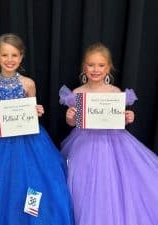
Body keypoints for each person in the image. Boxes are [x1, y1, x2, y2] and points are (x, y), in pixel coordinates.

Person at [0, 33, 74, 225]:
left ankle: (30, 217)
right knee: (3, 185)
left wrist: (36, 111)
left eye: (14, 55)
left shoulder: (28, 84)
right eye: (4, 55)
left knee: (31, 181)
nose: (9, 60)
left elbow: (31, 112)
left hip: (29, 142)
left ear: (21, 57)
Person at [59, 42, 158, 225]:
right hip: (84, 143)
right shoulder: (78, 93)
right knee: (83, 186)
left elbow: (117, 120)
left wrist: (127, 117)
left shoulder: (114, 92)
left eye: (101, 65)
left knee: (112, 186)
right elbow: (72, 123)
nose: (95, 69)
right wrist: (70, 116)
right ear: (84, 67)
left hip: (113, 144)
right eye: (91, 65)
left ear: (108, 68)